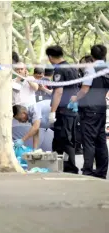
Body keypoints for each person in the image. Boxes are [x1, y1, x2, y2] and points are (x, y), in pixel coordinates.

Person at [70, 44, 108, 179]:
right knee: (101, 140)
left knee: (89, 140)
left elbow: (85, 89)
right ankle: (102, 171)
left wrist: (75, 98)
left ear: (92, 55)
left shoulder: (91, 69)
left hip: (89, 108)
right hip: (102, 107)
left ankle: (88, 170)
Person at [46, 45, 80, 174]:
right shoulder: (71, 67)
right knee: (59, 140)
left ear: (50, 57)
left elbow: (58, 92)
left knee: (65, 139)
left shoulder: (59, 70)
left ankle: (70, 168)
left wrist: (52, 111)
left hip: (63, 109)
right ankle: (58, 166)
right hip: (71, 109)